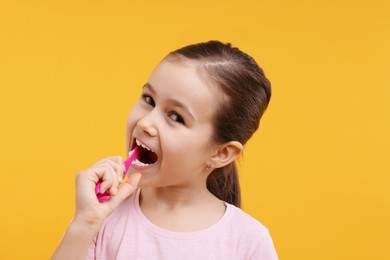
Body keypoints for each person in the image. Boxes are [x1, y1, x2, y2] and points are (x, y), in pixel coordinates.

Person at [52, 40, 278, 259]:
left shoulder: (249, 241)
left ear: (221, 153)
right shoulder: (100, 220)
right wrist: (85, 223)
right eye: (149, 100)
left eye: (175, 117)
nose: (145, 123)